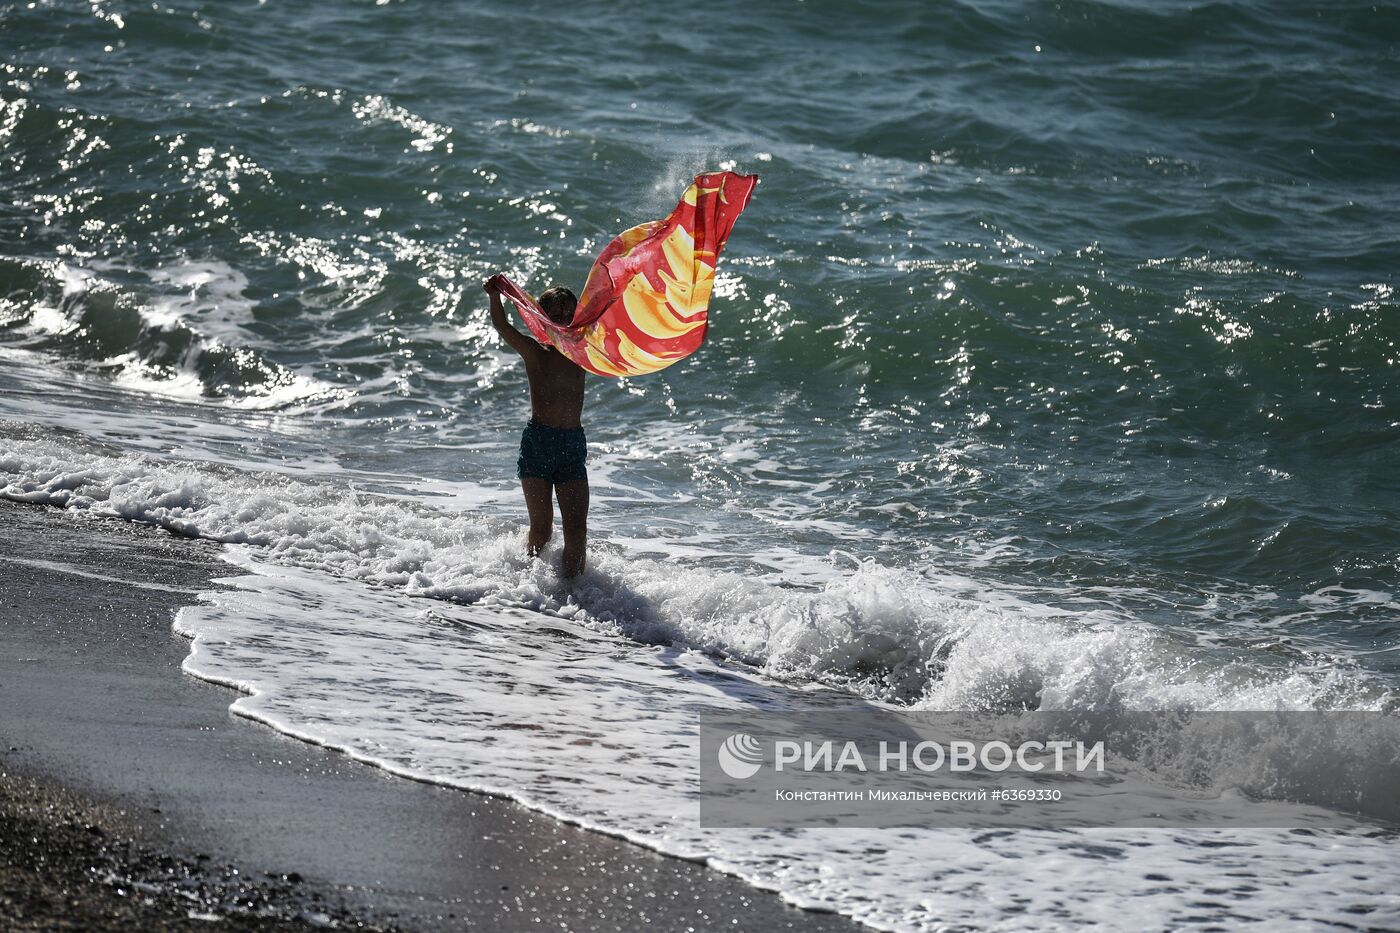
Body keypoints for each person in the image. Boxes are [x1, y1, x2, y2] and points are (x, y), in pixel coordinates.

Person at [482, 274, 589, 577]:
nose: (562, 316)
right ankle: (528, 589)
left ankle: (575, 594)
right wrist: (494, 296)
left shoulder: (584, 352)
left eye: (568, 311)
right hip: (538, 444)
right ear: (541, 317)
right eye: (554, 312)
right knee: (541, 529)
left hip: (571, 446)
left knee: (577, 531)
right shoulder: (533, 351)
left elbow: (613, 323)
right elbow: (502, 327)